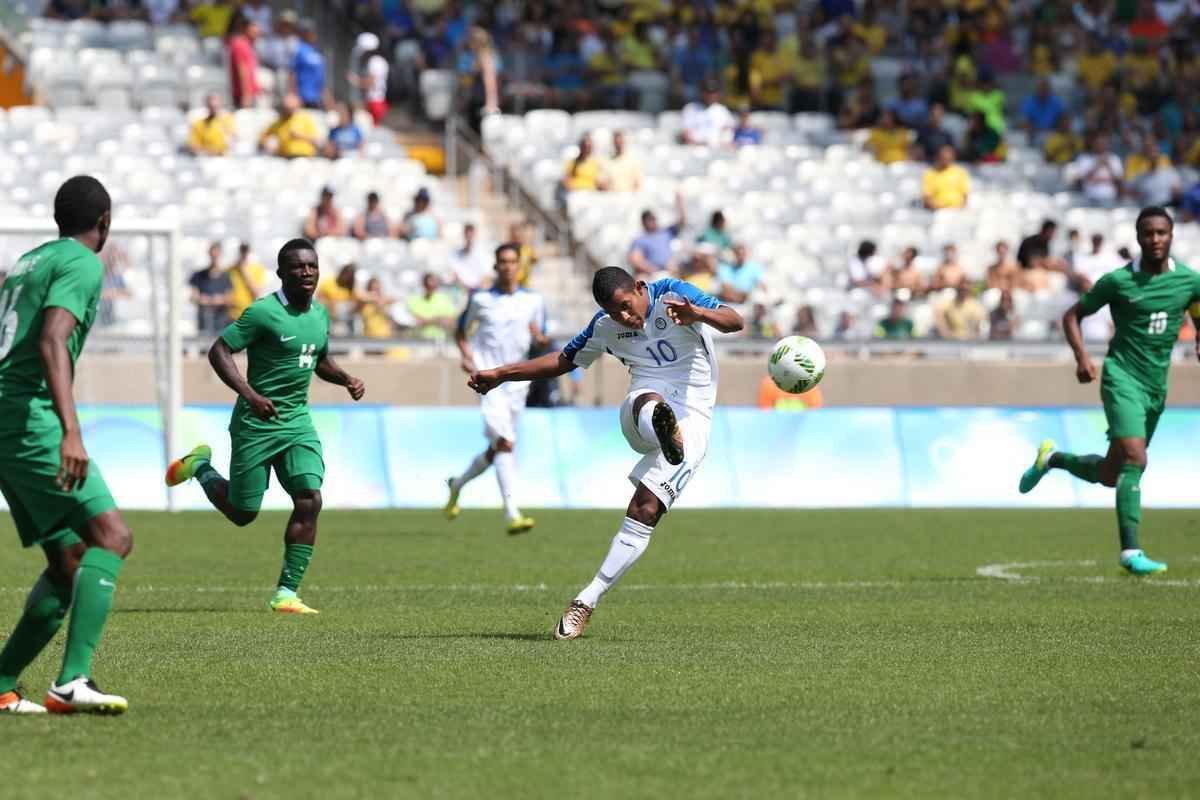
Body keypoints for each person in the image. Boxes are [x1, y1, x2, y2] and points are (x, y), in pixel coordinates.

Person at [467, 268, 744, 639]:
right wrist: (502, 373)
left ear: (639, 288)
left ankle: (585, 601)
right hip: (641, 408)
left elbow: (734, 320)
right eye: (615, 312)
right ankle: (664, 429)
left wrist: (699, 314)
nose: (624, 317)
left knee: (644, 509)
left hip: (694, 419)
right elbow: (563, 361)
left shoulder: (673, 294)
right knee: (648, 401)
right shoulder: (604, 325)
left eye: (627, 306)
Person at [165, 239, 366, 614]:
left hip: (297, 422)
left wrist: (346, 379)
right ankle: (200, 467)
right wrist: (250, 394)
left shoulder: (320, 315)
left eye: (312, 266)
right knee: (243, 513)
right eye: (297, 267)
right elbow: (219, 350)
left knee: (310, 497)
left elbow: (318, 359)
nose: (306, 272)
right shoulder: (263, 313)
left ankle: (286, 593)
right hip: (255, 424)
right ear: (281, 273)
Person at [0, 175, 133, 714]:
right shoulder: (82, 263)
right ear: (104, 222)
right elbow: (52, 338)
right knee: (112, 536)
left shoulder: (29, 261)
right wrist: (70, 431)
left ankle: (2, 683)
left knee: (69, 557)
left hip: (8, 416)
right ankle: (72, 680)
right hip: (28, 418)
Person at [1020, 207, 1200, 575]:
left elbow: (1197, 309)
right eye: (1148, 233)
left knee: (1109, 473)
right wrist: (1082, 358)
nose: (1155, 239)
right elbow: (1072, 316)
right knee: (1136, 458)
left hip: (1155, 386)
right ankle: (1131, 552)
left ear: (1171, 236)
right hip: (1121, 377)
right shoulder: (1118, 281)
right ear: (1138, 237)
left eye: (1161, 233)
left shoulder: (1189, 281)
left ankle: (1051, 459)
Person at [445, 244, 548, 535]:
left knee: (497, 448)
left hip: (518, 383)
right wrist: (466, 356)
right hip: (488, 381)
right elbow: (460, 331)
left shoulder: (534, 300)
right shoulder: (480, 299)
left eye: (512, 261)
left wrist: (540, 339)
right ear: (495, 266)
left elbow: (540, 335)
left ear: (519, 266)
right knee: (505, 443)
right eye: (502, 261)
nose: (507, 266)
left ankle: (457, 484)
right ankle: (512, 513)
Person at [628, 194, 686, 278]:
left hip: (671, 270)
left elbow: (682, 222)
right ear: (643, 222)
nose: (652, 221)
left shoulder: (666, 232)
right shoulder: (640, 239)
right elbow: (635, 259)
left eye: (653, 218)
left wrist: (680, 204)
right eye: (649, 219)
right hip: (653, 274)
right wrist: (651, 269)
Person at [190, 241, 233, 335]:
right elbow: (193, 297)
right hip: (204, 319)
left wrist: (220, 300)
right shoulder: (199, 275)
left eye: (216, 255)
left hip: (220, 320)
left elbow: (230, 299)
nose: (214, 258)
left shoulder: (226, 276)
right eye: (213, 255)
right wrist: (202, 299)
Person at [258, 94, 322, 159]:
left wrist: (300, 136)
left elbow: (317, 140)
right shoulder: (279, 122)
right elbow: (262, 136)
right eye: (286, 108)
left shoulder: (304, 118)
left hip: (304, 156)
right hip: (285, 157)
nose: (288, 110)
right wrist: (267, 144)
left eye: (291, 107)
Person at [347, 32, 390, 124]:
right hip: (375, 102)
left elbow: (370, 83)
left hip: (375, 102)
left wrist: (355, 80)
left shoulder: (375, 61)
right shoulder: (377, 61)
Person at [681, 81, 735, 147]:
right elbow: (686, 132)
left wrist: (723, 142)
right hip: (695, 147)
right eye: (708, 92)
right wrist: (695, 143)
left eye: (713, 92)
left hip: (717, 148)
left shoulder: (722, 110)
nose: (711, 95)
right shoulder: (691, 108)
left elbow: (729, 129)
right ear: (702, 93)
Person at [407, 272, 457, 341]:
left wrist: (426, 321)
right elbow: (415, 322)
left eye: (434, 284)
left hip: (440, 340)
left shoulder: (444, 299)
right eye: (428, 285)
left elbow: (451, 321)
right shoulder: (414, 300)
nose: (431, 287)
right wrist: (437, 319)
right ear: (423, 284)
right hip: (419, 340)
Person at [291, 20, 328, 110]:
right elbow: (292, 74)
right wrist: (294, 94)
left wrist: (325, 96)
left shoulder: (317, 51)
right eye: (309, 32)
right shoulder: (299, 49)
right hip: (303, 97)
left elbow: (321, 78)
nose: (313, 34)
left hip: (317, 98)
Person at [227, 14, 261, 110]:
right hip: (244, 96)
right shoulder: (239, 44)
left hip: (251, 94)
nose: (257, 31)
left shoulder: (248, 45)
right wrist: (246, 94)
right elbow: (242, 70)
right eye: (254, 27)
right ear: (245, 28)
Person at [227, 242, 268, 320]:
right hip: (232, 315)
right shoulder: (230, 269)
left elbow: (256, 292)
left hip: (249, 315)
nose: (243, 254)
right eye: (242, 250)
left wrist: (244, 272)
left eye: (245, 251)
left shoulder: (258, 269)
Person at [922, 145, 971, 210]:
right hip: (937, 210)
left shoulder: (960, 172)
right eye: (944, 158)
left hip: (957, 209)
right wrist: (935, 207)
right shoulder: (930, 174)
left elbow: (965, 194)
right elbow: (927, 197)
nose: (946, 161)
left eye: (949, 158)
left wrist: (961, 208)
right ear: (938, 157)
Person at [450, 222, 491, 291]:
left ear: (475, 234)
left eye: (471, 234)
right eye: (467, 234)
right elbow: (454, 274)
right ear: (464, 234)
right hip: (461, 290)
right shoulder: (454, 254)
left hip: (479, 289)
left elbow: (487, 275)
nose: (469, 237)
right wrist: (465, 288)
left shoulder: (484, 252)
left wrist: (477, 288)